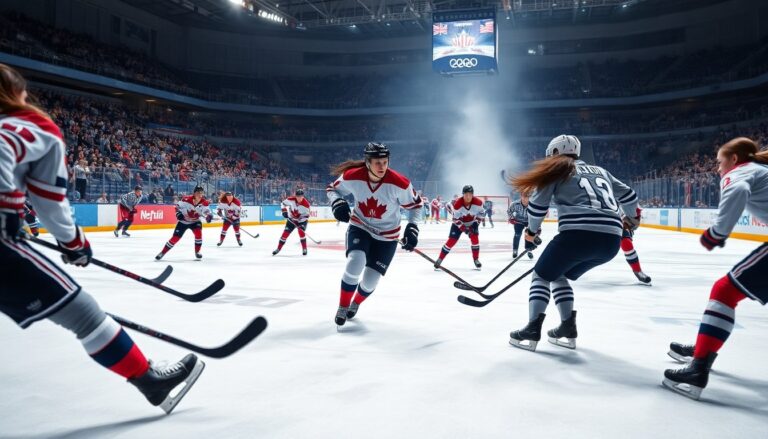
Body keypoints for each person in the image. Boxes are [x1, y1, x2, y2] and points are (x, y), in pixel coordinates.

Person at [0, 64, 203, 413]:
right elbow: (49, 203)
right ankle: (148, 379)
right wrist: (75, 244)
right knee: (84, 314)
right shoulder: (33, 127)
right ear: (17, 94)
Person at [508, 135, 639, 352]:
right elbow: (629, 196)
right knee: (558, 274)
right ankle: (567, 327)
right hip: (610, 243)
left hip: (577, 236)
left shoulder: (557, 170)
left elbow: (538, 207)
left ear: (555, 153)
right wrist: (632, 220)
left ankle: (532, 328)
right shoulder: (602, 171)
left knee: (541, 275)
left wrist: (531, 232)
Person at [663, 137, 768, 400]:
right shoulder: (761, 170)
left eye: (720, 163)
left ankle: (698, 369)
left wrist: (716, 233)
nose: (718, 169)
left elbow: (739, 190)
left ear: (734, 159)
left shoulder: (741, 171)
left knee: (724, 291)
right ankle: (703, 346)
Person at [326, 142, 422, 327]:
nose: (382, 167)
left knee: (369, 283)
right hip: (361, 227)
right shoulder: (352, 176)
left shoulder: (399, 183)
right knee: (356, 261)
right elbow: (332, 189)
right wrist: (337, 202)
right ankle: (343, 306)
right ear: (367, 162)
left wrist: (412, 227)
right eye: (377, 162)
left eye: (385, 162)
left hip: (387, 237)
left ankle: (356, 303)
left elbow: (417, 206)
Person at [435, 185, 485, 270]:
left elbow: (482, 214)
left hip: (472, 223)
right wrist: (464, 229)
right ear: (463, 194)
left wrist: (476, 223)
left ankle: (476, 259)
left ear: (473, 194)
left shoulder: (478, 203)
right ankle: (440, 259)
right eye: (466, 194)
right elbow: (455, 219)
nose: (468, 197)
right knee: (451, 241)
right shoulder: (458, 204)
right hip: (458, 223)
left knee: (475, 239)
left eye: (470, 194)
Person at [155, 186, 212, 260]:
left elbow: (207, 213)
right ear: (194, 193)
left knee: (199, 235)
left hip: (195, 222)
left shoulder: (205, 203)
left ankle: (197, 252)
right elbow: (177, 208)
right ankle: (162, 252)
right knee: (175, 238)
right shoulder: (186, 199)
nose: (200, 194)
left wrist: (209, 217)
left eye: (201, 192)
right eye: (198, 192)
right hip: (183, 222)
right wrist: (178, 214)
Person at [272, 189, 311, 256]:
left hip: (302, 221)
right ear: (295, 196)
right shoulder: (290, 199)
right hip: (291, 220)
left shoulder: (306, 205)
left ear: (303, 196)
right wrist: (284, 211)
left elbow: (306, 216)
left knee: (301, 232)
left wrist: (300, 224)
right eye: (298, 196)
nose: (299, 198)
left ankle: (304, 249)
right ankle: (278, 249)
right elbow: (283, 204)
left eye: (300, 196)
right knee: (285, 234)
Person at [620, 212, 652, 284]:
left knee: (626, 243)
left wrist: (627, 220)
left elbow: (635, 220)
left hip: (617, 221)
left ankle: (637, 271)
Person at [508, 192, 532, 259]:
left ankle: (529, 250)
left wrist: (538, 227)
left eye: (527, 197)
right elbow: (509, 211)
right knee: (517, 235)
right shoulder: (514, 204)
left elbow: (536, 216)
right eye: (523, 196)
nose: (525, 199)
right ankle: (515, 250)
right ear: (521, 196)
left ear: (529, 197)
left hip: (529, 222)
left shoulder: (533, 205)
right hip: (518, 221)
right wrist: (511, 218)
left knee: (529, 235)